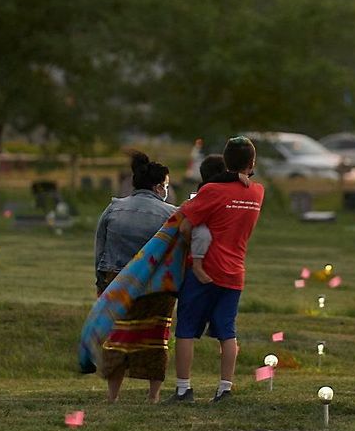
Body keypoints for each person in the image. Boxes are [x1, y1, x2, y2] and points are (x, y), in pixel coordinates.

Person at [170, 136, 264, 403]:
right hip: (234, 271)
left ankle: (183, 389)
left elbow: (185, 224)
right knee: (227, 331)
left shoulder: (212, 192)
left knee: (186, 329)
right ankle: (225, 388)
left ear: (225, 161)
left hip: (204, 269)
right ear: (252, 163)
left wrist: (191, 247)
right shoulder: (257, 192)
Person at [93, 151, 176, 403]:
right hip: (156, 286)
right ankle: (153, 396)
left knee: (118, 337)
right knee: (155, 338)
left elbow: (100, 247)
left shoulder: (114, 207)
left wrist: (100, 283)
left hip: (117, 280)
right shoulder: (171, 213)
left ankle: (113, 395)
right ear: (159, 185)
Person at [191, 154, 249, 283]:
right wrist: (234, 176)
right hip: (200, 227)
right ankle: (197, 265)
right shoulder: (207, 187)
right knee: (203, 234)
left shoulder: (213, 187)